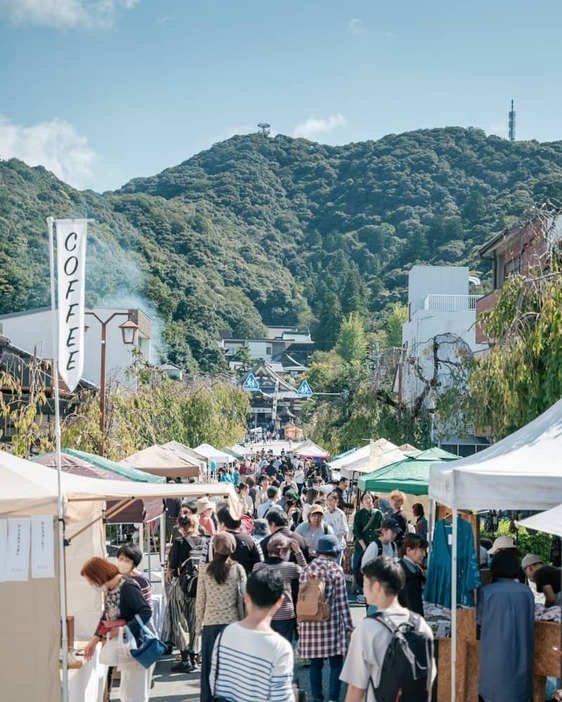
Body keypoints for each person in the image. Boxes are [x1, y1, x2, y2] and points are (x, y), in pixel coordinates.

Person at [340, 556, 435, 702]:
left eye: (365, 584)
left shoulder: (367, 629)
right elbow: (428, 682)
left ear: (377, 587)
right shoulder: (420, 624)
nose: (363, 591)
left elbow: (356, 688)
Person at [209, 568, 295, 701]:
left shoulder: (225, 634)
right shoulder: (280, 647)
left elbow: (214, 682)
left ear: (247, 597)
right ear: (280, 601)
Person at [81, 556, 153, 702]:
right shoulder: (112, 589)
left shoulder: (127, 586)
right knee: (127, 693)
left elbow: (146, 612)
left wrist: (124, 629)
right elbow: (107, 615)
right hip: (127, 649)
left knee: (135, 694)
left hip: (138, 647)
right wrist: (95, 639)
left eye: (91, 581)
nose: (92, 585)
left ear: (98, 576)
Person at [298, 534, 353, 702]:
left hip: (310, 622)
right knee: (336, 663)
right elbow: (343, 601)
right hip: (331, 624)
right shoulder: (335, 570)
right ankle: (334, 699)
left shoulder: (307, 569)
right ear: (334, 552)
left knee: (315, 664)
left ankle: (317, 698)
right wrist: (349, 626)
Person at [195, 531, 247, 702]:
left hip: (210, 624)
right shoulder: (237, 569)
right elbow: (243, 599)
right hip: (232, 624)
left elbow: (200, 601)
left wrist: (197, 627)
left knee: (208, 669)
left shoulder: (204, 571)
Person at [477, 549, 535, 702]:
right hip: (521, 659)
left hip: (493, 663)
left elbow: (479, 622)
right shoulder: (526, 592)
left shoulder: (487, 593)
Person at [163, 514, 205, 673]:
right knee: (196, 621)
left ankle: (185, 659)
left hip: (182, 586)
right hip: (199, 586)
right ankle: (195, 658)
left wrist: (170, 569)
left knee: (181, 621)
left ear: (181, 527)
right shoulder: (204, 541)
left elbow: (173, 568)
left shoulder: (179, 542)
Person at [253, 533, 307, 643]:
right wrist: (298, 552)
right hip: (285, 614)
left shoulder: (257, 567)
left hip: (264, 615)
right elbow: (305, 572)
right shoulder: (290, 567)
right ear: (282, 551)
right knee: (283, 648)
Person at [352, 492, 383, 604]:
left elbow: (381, 530)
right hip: (361, 546)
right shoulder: (359, 514)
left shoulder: (378, 514)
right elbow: (356, 531)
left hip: (374, 546)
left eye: (369, 498)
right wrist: (364, 546)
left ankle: (372, 590)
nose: (368, 500)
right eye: (365, 498)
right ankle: (361, 588)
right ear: (362, 501)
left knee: (373, 569)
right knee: (357, 567)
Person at [216, 503, 263, 573]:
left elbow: (203, 564)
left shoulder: (212, 542)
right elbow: (260, 564)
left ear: (222, 523)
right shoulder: (251, 540)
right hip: (245, 581)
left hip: (217, 581)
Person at [397, 534, 428, 616]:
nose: (424, 554)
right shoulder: (408, 575)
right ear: (409, 550)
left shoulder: (406, 567)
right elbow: (413, 606)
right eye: (421, 550)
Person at [116, 543, 152, 609]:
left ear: (134, 564)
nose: (123, 562)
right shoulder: (114, 576)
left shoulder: (141, 580)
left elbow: (147, 608)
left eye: (127, 561)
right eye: (121, 559)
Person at [324, 491, 349, 564]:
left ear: (336, 500)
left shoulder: (340, 513)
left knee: (336, 566)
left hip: (338, 543)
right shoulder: (325, 514)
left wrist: (335, 535)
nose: (329, 502)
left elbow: (345, 530)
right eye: (328, 500)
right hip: (327, 544)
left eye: (332, 500)